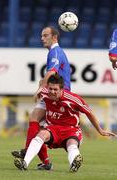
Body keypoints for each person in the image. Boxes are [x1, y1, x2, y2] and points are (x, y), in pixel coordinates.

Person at [14, 74, 117, 172]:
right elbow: (42, 83)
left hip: (71, 130)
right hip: (53, 129)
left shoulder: (73, 99)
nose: (52, 92)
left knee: (72, 145)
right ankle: (24, 163)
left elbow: (89, 113)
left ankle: (74, 163)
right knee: (41, 134)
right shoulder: (45, 92)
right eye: (50, 89)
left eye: (55, 90)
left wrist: (100, 130)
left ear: (62, 89)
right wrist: (39, 89)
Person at [11, 26, 71, 170]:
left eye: (45, 35)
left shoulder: (55, 51)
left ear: (54, 37)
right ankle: (45, 162)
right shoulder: (54, 52)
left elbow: (52, 72)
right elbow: (53, 74)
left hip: (56, 94)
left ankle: (29, 152)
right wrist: (43, 84)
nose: (42, 38)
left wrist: (41, 88)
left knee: (35, 120)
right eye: (42, 36)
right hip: (56, 93)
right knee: (36, 122)